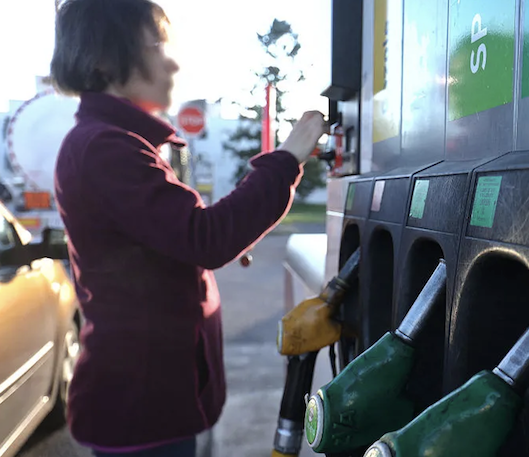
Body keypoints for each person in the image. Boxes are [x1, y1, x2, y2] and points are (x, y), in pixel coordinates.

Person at [49, 0, 326, 455]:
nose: (173, 62)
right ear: (104, 61)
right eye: (157, 46)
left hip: (152, 403)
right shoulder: (106, 147)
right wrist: (287, 158)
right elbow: (206, 237)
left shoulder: (115, 141)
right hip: (141, 412)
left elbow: (176, 237)